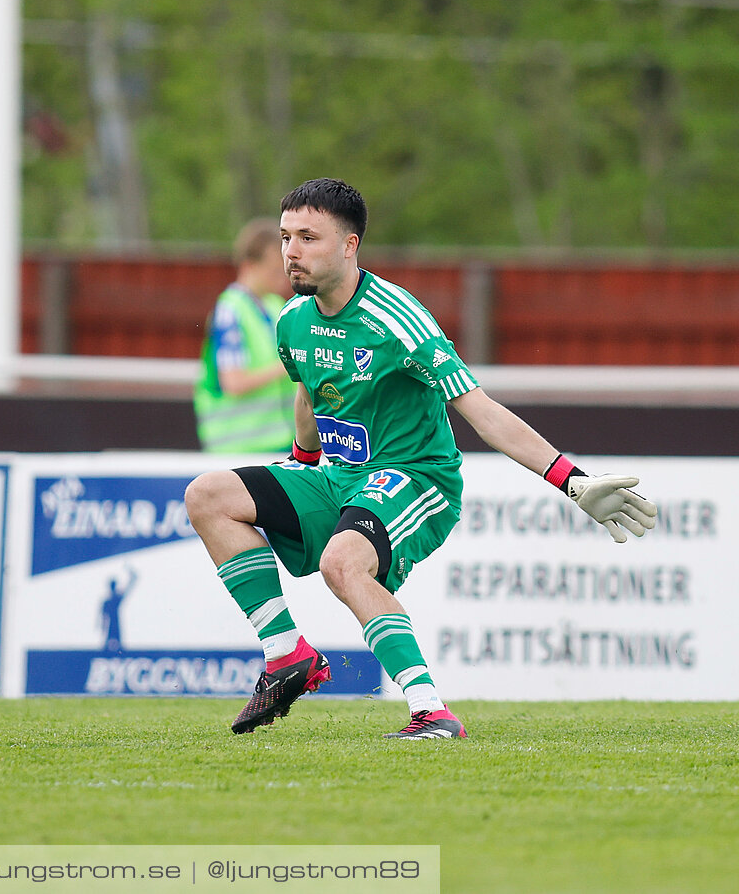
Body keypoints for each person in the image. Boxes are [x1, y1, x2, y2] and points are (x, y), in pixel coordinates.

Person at [184, 178, 657, 740]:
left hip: (416, 478)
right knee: (207, 495)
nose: (291, 252)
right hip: (336, 474)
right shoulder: (291, 320)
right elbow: (309, 389)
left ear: (349, 245)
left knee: (342, 563)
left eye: (308, 237)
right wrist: (301, 462)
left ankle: (431, 712)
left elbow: (480, 410)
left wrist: (573, 481)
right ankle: (287, 656)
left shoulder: (397, 317)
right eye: (286, 237)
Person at [194, 219, 298, 453]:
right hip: (237, 447)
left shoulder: (275, 305)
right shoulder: (230, 311)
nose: (282, 277)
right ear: (250, 266)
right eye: (274, 270)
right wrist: (290, 364)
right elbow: (234, 382)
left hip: (280, 442)